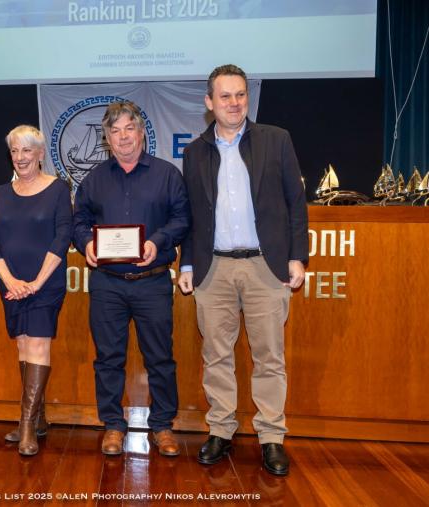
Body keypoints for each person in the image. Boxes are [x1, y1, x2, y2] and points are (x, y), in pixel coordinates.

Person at [177, 64, 308, 476]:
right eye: (225, 96)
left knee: (269, 356)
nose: (234, 103)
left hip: (265, 266)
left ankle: (271, 437)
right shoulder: (194, 152)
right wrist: (187, 262)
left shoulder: (276, 139)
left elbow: (296, 202)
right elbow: (191, 214)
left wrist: (297, 256)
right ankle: (221, 430)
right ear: (209, 102)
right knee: (216, 355)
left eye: (240, 95)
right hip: (213, 268)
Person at [73, 101, 190, 457]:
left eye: (129, 128)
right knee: (108, 358)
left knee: (160, 357)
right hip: (107, 283)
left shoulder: (167, 175)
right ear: (107, 138)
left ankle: (162, 425)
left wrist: (158, 241)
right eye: (115, 131)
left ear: (141, 133)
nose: (123, 137)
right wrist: (86, 243)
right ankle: (113, 424)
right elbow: (79, 221)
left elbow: (182, 219)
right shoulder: (93, 179)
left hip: (152, 281)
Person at [0, 125, 72, 456]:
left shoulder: (58, 189)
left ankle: (26, 428)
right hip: (11, 284)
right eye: (14, 151)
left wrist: (36, 283)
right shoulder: (2, 192)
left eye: (26, 150)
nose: (20, 157)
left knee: (36, 344)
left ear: (40, 153)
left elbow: (62, 238)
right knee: (23, 345)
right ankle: (39, 419)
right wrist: (9, 279)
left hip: (45, 284)